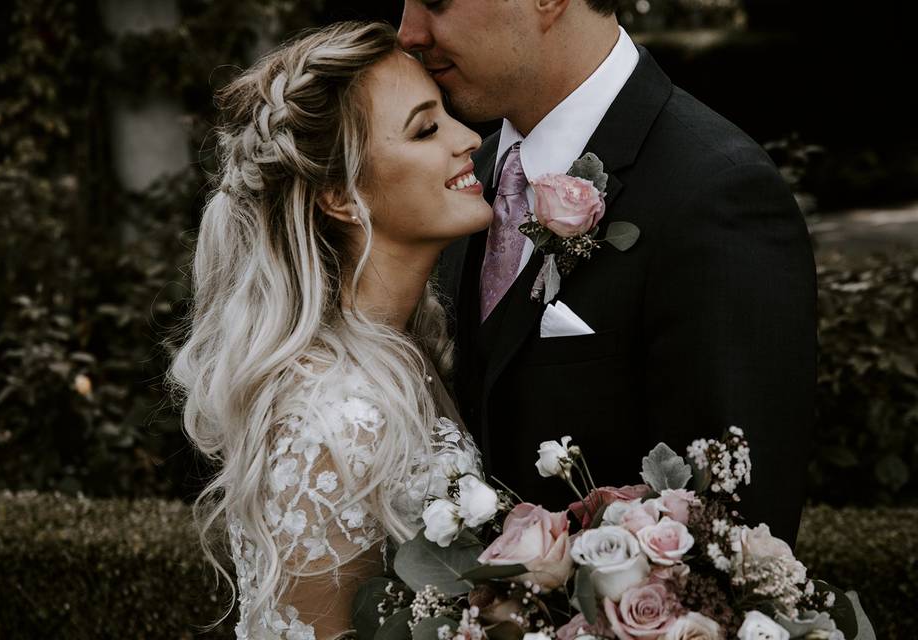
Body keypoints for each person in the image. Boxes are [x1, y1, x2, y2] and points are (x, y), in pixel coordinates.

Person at [398, 0, 817, 547]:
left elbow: (734, 532)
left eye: (435, 1)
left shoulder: (717, 193)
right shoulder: (461, 181)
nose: (408, 31)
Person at [167, 21, 492, 639]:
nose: (470, 138)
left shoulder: (406, 352)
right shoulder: (334, 422)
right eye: (426, 129)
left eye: (447, 115)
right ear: (341, 195)